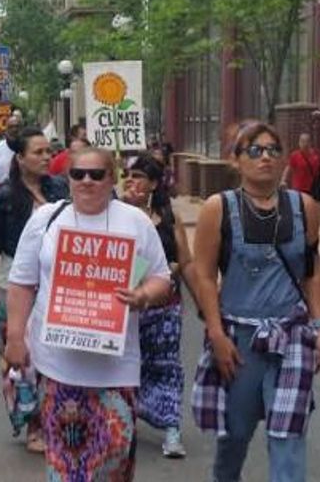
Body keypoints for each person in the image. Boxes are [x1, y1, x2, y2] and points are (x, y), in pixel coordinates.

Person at [7, 147, 172, 480]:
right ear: (67, 179)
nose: (87, 181)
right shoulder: (46, 220)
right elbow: (22, 281)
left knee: (113, 462)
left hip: (116, 369)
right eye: (77, 174)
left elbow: (162, 278)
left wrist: (142, 295)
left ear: (111, 178)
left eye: (96, 174)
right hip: (58, 368)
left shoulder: (135, 222)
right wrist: (14, 337)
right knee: (66, 468)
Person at [190, 122, 320, 482]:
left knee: (288, 438)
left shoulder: (304, 207)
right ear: (235, 160)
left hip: (292, 337)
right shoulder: (218, 209)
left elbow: (311, 272)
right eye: (254, 150)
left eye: (272, 150)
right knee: (234, 437)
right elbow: (204, 275)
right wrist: (217, 334)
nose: (265, 157)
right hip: (239, 340)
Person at [0, 127, 68, 452]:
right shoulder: (4, 195)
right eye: (38, 152)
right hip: (12, 282)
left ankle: (58, 418)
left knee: (56, 353)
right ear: (20, 158)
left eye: (49, 152)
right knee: (21, 357)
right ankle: (32, 425)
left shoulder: (61, 188)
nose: (46, 158)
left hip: (57, 283)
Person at [120, 153, 195, 458]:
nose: (132, 181)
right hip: (127, 307)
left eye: (139, 176)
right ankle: (126, 424)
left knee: (166, 366)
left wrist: (168, 275)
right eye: (128, 174)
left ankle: (172, 429)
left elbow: (185, 260)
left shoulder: (167, 216)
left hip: (165, 305)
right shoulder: (118, 213)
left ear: (153, 183)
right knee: (129, 366)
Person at [282, 133, 320, 197]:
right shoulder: (295, 155)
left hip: (312, 189)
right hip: (298, 189)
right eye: (302, 141)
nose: (305, 144)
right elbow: (288, 168)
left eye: (307, 141)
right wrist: (283, 180)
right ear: (299, 143)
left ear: (310, 143)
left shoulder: (317, 154)